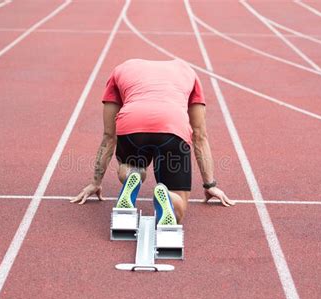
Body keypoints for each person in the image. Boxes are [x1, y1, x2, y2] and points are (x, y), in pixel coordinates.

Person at [70, 59, 234, 224]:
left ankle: (132, 175)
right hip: (172, 127)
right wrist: (209, 184)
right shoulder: (187, 71)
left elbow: (108, 135)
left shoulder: (122, 69)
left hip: (133, 125)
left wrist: (96, 182)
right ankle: (167, 195)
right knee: (179, 209)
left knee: (130, 167)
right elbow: (200, 135)